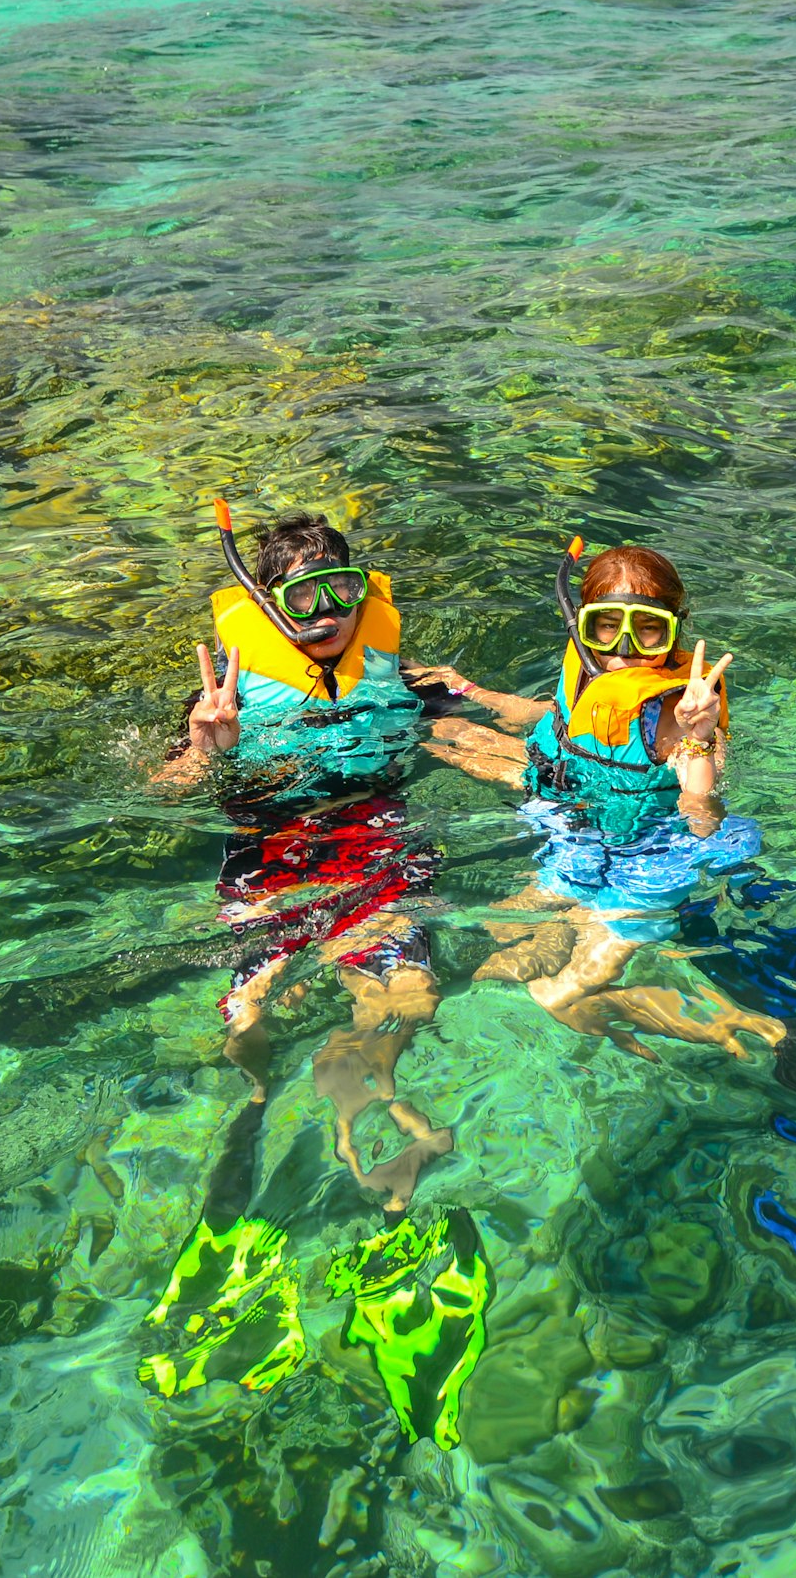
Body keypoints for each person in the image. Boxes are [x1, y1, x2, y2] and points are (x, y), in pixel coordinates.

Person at [155, 503, 489, 1207]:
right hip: (272, 855)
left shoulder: (397, 678)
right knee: (249, 1020)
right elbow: (165, 790)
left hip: (372, 840)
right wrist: (207, 751)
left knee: (414, 998)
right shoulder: (224, 699)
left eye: (342, 589)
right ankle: (264, 1095)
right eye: (303, 595)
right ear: (267, 607)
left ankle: (362, 1086)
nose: (327, 612)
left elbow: (502, 717)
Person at [451, 543, 783, 1057]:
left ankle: (699, 1015)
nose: (625, 645)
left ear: (674, 627)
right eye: (607, 625)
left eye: (647, 628)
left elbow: (701, 810)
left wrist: (699, 732)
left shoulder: (678, 707)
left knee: (551, 990)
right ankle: (590, 990)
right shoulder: (588, 669)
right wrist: (482, 699)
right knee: (499, 934)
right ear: (582, 625)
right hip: (580, 828)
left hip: (650, 861)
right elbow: (566, 720)